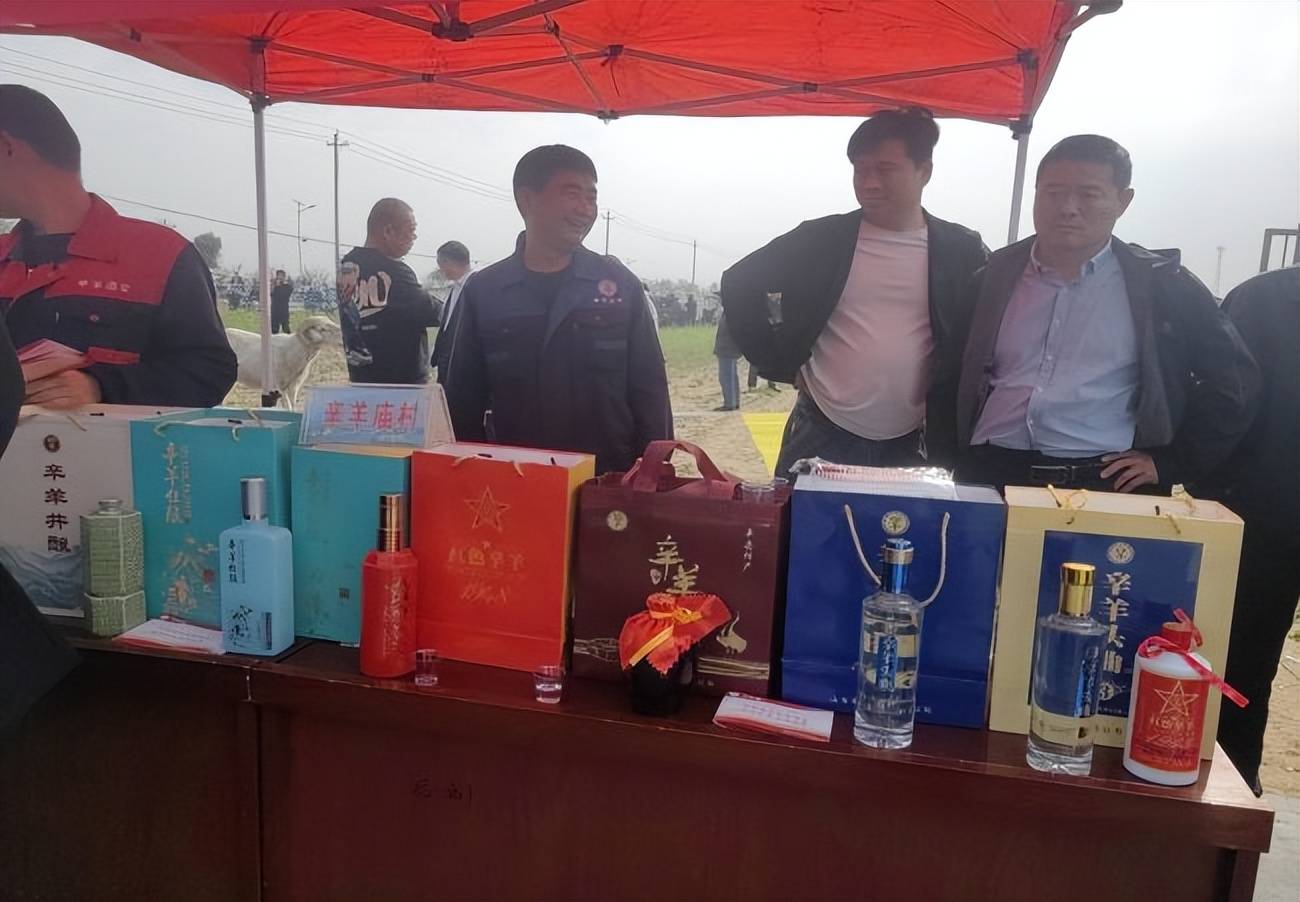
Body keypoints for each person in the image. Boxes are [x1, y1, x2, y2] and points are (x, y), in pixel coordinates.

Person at [955, 135, 1258, 493]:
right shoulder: (992, 278)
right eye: (1053, 192)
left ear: (1123, 201)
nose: (1068, 208)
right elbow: (947, 373)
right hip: (991, 471)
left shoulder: (1163, 287)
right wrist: (951, 456)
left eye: (1088, 194)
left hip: (1106, 480)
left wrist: (1173, 462)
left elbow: (1235, 381)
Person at [720, 107, 988, 476]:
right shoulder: (821, 240)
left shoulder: (960, 249)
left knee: (901, 517)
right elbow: (739, 282)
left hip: (914, 437)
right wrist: (779, 362)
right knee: (801, 515)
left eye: (885, 169)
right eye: (860, 170)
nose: (869, 182)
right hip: (823, 427)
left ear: (924, 171)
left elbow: (994, 320)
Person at [0, 85, 236, 409]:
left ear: (5, 147)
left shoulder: (161, 256)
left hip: (107, 442)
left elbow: (210, 371)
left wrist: (100, 386)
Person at [442, 145, 672, 474]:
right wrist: (479, 475)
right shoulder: (485, 291)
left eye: (591, 197)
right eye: (572, 194)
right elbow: (462, 401)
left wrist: (650, 473)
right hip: (518, 481)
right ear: (527, 200)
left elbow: (650, 390)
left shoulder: (619, 284)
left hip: (608, 482)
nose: (585, 209)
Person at [1209, 265, 1300, 796]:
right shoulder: (1262, 302)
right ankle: (1233, 797)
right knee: (1242, 668)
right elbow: (1222, 405)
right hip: (1268, 524)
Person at [338, 198, 440, 384]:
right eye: (411, 230)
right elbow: (433, 312)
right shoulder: (394, 271)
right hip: (401, 384)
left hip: (361, 378)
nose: (414, 237)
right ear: (388, 231)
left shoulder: (346, 266)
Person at [430, 239, 473, 376]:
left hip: (464, 365)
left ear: (447, 262)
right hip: (447, 364)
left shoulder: (476, 286)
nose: (440, 270)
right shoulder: (453, 289)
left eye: (440, 264)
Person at [713, 313, 741, 411]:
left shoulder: (730, 315)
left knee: (726, 376)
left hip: (727, 349)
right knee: (731, 376)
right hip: (728, 348)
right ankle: (734, 401)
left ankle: (730, 403)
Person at [270, 269, 293, 334]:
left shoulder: (287, 287)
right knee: (274, 329)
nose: (280, 277)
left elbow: (286, 294)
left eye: (281, 276)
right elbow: (271, 294)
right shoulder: (274, 287)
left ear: (284, 277)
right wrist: (274, 286)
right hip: (275, 310)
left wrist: (279, 286)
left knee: (286, 328)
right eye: (278, 275)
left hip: (284, 310)